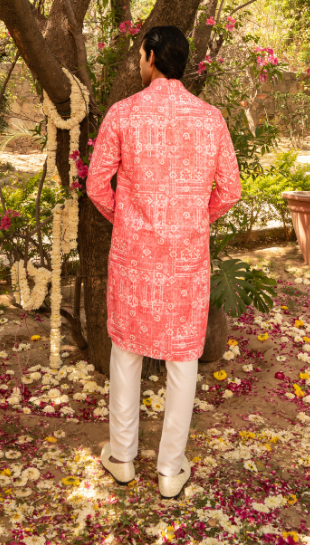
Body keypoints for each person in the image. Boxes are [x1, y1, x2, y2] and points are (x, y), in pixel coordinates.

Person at [85, 25, 240, 499]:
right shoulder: (210, 118)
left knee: (127, 352)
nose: (139, 61)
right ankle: (171, 469)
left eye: (140, 54)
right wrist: (196, 219)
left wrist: (127, 219)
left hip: (134, 255)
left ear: (152, 57)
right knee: (182, 357)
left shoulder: (124, 113)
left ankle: (123, 458)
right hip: (187, 256)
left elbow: (96, 185)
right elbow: (230, 191)